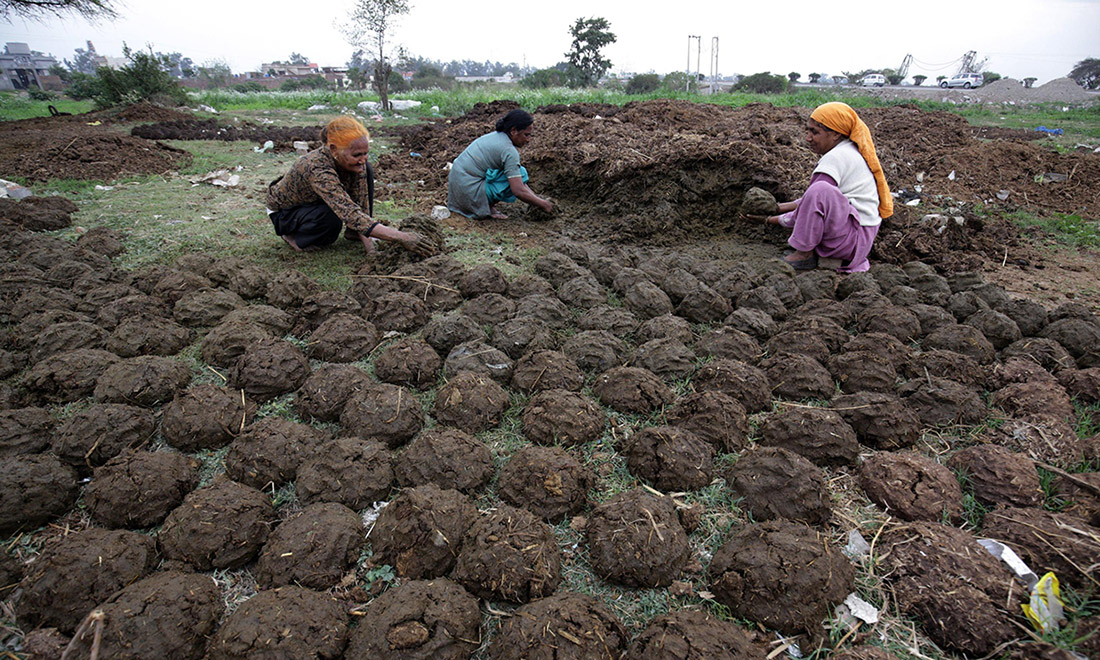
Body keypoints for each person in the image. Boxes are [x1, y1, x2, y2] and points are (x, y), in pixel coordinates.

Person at [746, 102, 893, 273]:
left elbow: (813, 202)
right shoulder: (848, 151)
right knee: (819, 192)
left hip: (850, 240)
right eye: (808, 130)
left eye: (815, 132)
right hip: (859, 241)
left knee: (819, 190)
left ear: (836, 134)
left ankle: (804, 254)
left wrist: (769, 219)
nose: (808, 138)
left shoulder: (836, 157)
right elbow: (813, 201)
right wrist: (777, 207)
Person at [266, 116, 434, 255]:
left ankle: (354, 232)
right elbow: (348, 212)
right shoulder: (316, 168)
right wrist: (402, 237)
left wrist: (371, 250)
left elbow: (360, 204)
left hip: (317, 201)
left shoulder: (357, 164)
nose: (363, 159)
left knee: (364, 169)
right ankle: (292, 236)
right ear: (333, 150)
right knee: (331, 220)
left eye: (365, 153)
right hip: (287, 212)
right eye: (356, 155)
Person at [447, 108, 554, 219]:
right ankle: (485, 207)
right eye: (526, 135)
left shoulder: (496, 136)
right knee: (517, 177)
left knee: (520, 172)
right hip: (468, 192)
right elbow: (518, 190)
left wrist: (536, 200)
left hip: (458, 187)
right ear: (513, 131)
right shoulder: (509, 151)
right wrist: (544, 205)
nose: (528, 140)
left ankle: (488, 205)